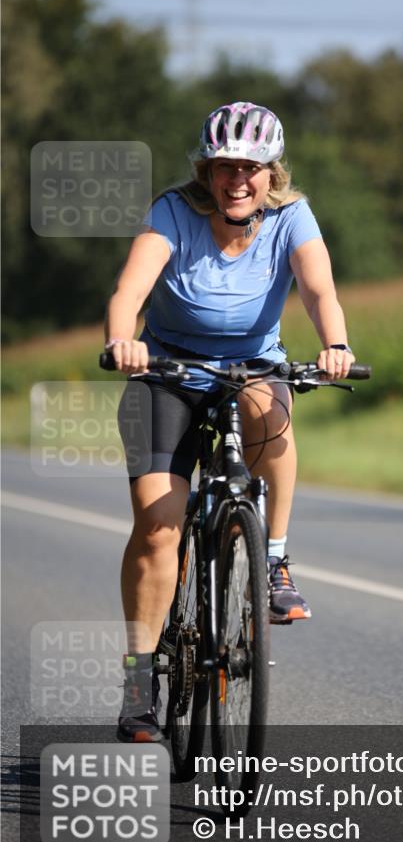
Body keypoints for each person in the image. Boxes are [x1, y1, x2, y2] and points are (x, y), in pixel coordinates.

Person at [105, 101, 355, 741]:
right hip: (166, 373)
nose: (238, 179)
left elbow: (319, 289)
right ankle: (139, 687)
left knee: (268, 404)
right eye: (224, 167)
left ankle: (273, 560)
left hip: (251, 368)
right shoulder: (173, 212)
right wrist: (123, 340)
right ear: (206, 172)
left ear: (272, 173)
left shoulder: (292, 217)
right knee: (158, 530)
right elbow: (130, 290)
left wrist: (336, 345)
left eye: (251, 167)